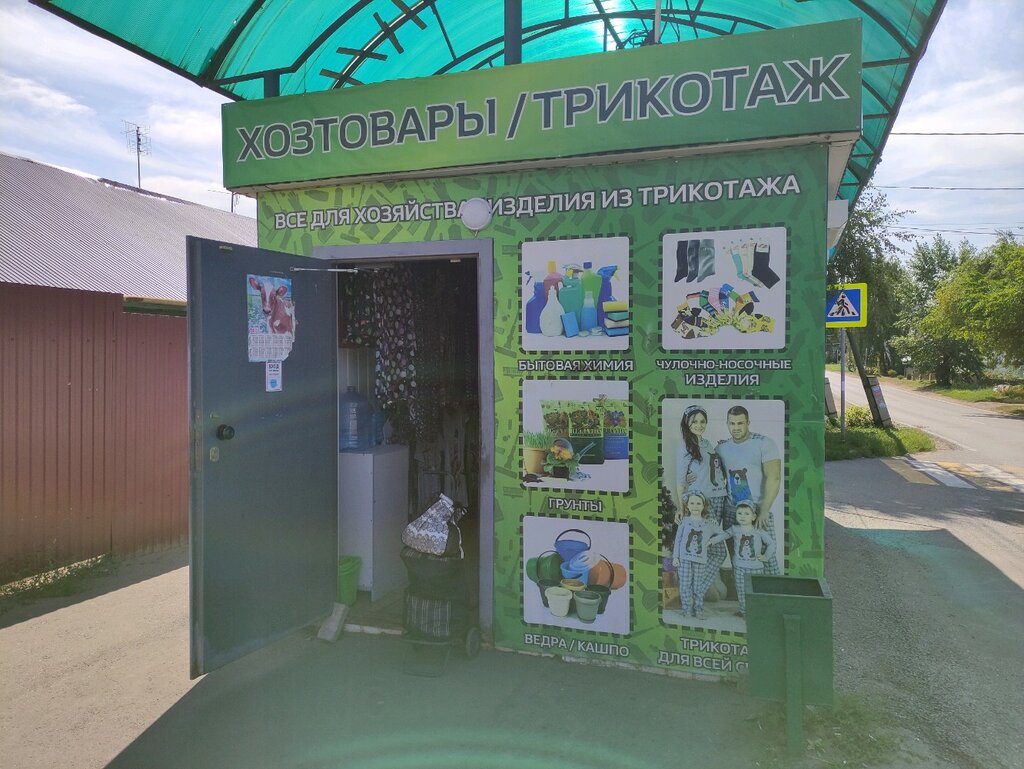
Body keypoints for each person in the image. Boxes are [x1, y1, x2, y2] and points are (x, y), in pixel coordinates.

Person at [715, 405, 781, 575]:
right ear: (727, 423)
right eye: (732, 423)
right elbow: (712, 474)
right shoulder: (721, 448)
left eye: (740, 423)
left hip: (757, 510)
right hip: (732, 510)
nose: (736, 427)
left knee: (766, 559)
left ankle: (769, 590)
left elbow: (774, 478)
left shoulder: (764, 443)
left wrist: (764, 511)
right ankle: (742, 591)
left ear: (748, 422)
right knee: (738, 558)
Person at [674, 404, 730, 603]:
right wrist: (681, 507)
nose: (699, 425)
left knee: (709, 547)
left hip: (719, 497)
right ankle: (693, 593)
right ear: (687, 423)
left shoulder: (707, 443)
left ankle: (697, 592)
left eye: (702, 421)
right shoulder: (685, 446)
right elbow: (680, 480)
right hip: (703, 502)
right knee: (719, 551)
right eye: (694, 421)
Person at [712, 501, 774, 616]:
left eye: (746, 514)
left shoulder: (758, 530)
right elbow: (723, 535)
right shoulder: (734, 529)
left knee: (755, 590)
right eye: (739, 513)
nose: (742, 516)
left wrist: (766, 556)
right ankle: (744, 611)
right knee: (741, 590)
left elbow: (771, 543)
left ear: (753, 516)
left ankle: (757, 611)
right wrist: (712, 541)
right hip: (739, 567)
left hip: (756, 568)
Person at [671, 491, 724, 620]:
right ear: (687, 506)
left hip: (700, 560)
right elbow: (678, 540)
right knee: (685, 585)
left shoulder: (708, 523)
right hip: (684, 560)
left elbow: (724, 534)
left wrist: (712, 541)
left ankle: (698, 609)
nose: (695, 506)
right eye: (692, 503)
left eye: (698, 503)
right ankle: (686, 609)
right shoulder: (684, 521)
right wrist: (676, 557)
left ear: (704, 506)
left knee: (698, 586)